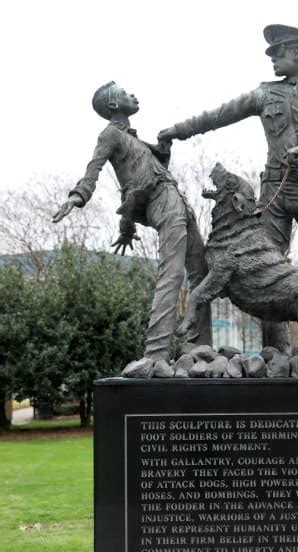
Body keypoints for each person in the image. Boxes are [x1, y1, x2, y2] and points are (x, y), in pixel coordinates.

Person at [158, 24, 298, 351]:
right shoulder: (265, 93)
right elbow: (219, 115)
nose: (273, 60)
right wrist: (177, 131)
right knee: (264, 272)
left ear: (297, 52)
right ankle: (274, 354)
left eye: (279, 53)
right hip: (273, 193)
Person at [53, 82, 211, 376]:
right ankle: (156, 353)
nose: (133, 95)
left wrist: (163, 150)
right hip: (161, 201)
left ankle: (200, 347)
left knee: (201, 271)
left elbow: (145, 168)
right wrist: (78, 196)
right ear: (113, 105)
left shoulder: (136, 140)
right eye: (126, 94)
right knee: (172, 271)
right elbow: (94, 168)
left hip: (177, 200)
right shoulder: (110, 134)